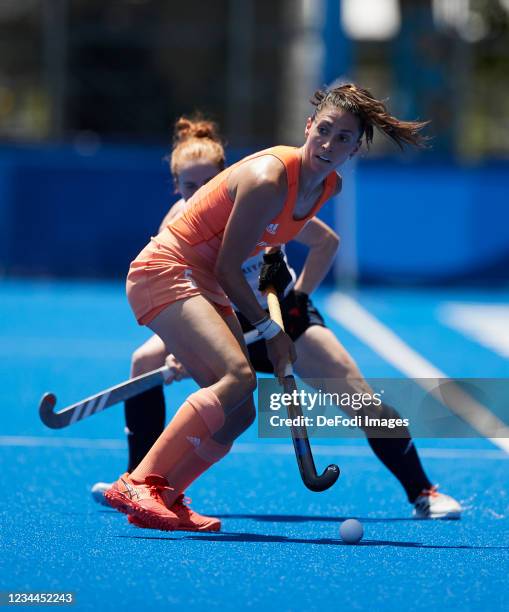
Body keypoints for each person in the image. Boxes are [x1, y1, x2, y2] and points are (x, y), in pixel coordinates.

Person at [103, 85, 461, 532]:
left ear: (357, 147)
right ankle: (142, 481)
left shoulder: (328, 185)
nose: (329, 144)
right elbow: (227, 268)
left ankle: (166, 494)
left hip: (239, 301)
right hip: (180, 276)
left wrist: (290, 311)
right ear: (308, 127)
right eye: (324, 130)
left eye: (344, 137)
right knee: (229, 378)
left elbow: (303, 247)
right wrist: (266, 333)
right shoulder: (268, 178)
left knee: (243, 410)